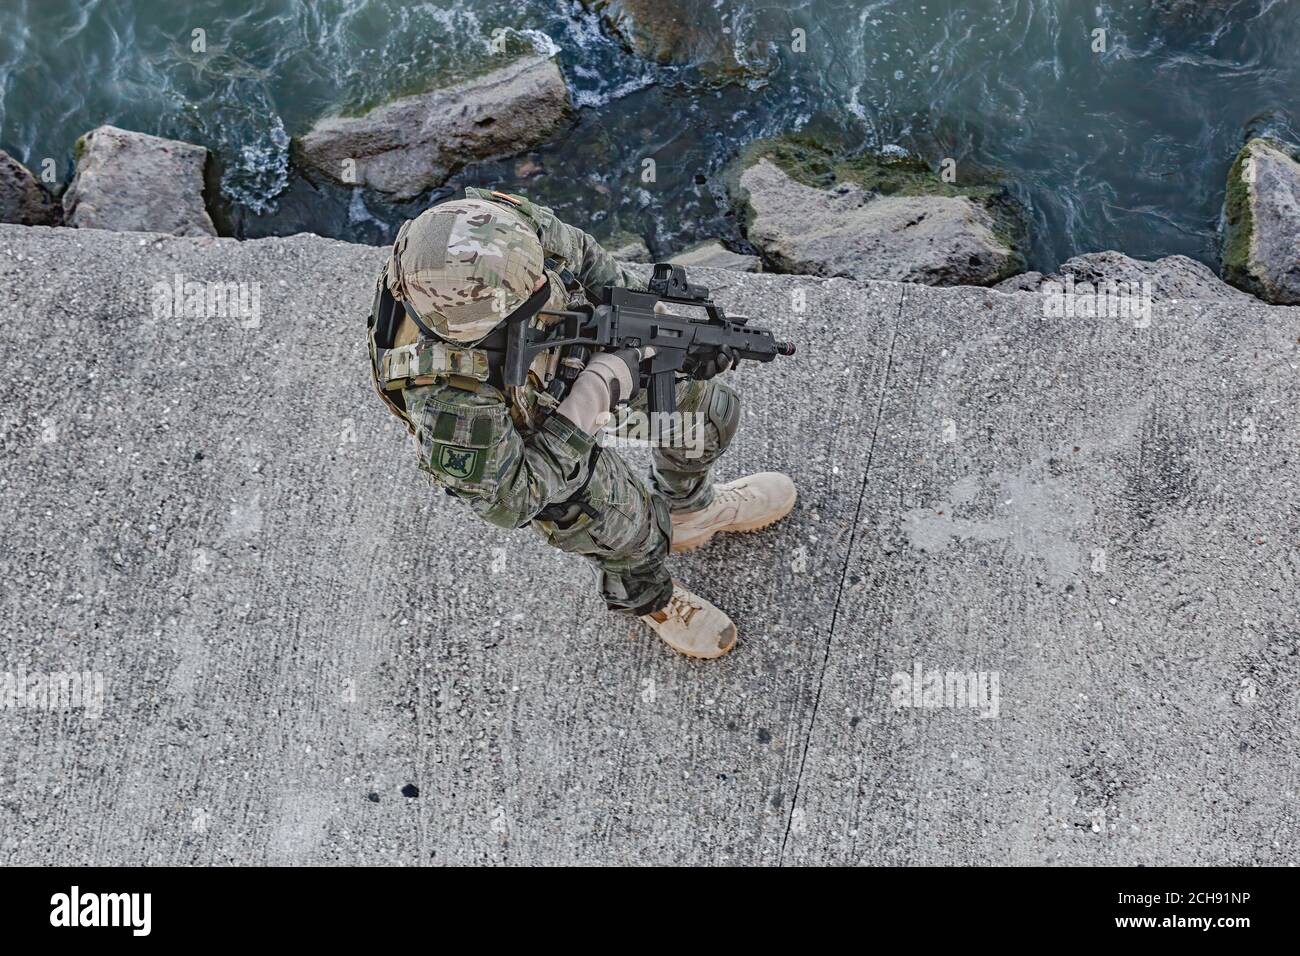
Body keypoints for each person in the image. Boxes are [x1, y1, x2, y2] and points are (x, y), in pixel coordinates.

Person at [367, 188, 795, 659]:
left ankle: (690, 511)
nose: (540, 283)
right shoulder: (451, 399)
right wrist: (594, 396)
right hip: (535, 435)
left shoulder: (495, 229)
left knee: (709, 416)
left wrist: (650, 324)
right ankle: (653, 601)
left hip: (577, 348)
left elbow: (583, 254)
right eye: (528, 292)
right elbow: (512, 500)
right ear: (482, 321)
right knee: (630, 535)